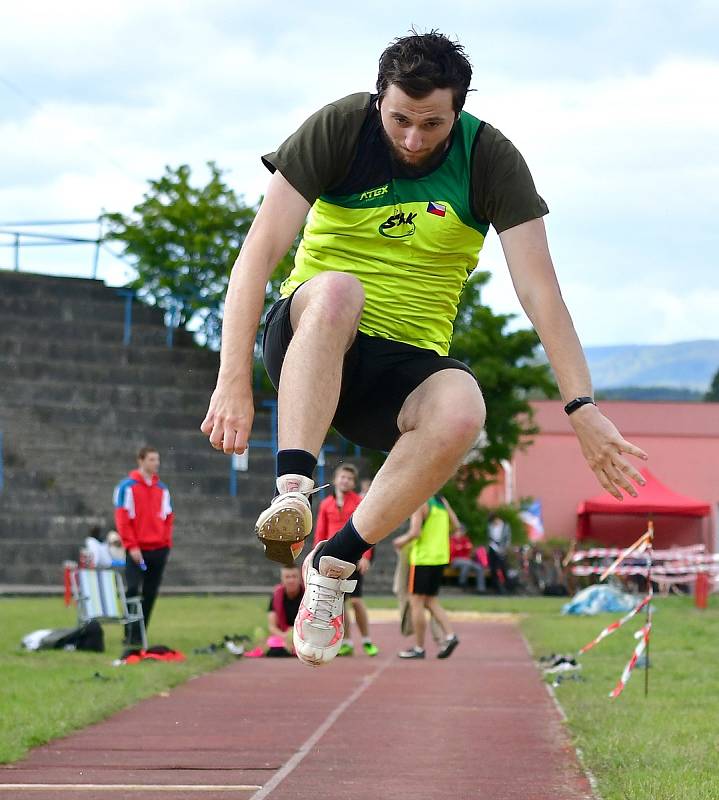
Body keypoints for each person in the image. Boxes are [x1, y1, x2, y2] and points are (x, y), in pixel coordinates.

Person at [200, 31, 648, 668]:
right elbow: (256, 258)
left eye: (432, 124)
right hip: (311, 335)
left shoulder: (487, 159)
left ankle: (335, 562)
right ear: (378, 98)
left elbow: (541, 292)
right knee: (337, 292)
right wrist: (231, 379)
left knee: (464, 407)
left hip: (400, 366)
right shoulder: (338, 129)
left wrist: (582, 407)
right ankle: (295, 491)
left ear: (458, 111)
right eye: (400, 120)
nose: (413, 139)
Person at [314, 464, 379, 657]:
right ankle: (347, 641)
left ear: (353, 483)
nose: (345, 481)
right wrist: (316, 558)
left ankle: (367, 640)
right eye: (342, 477)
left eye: (349, 479)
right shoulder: (326, 504)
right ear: (335, 479)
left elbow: (369, 530)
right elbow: (320, 533)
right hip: (332, 559)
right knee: (339, 603)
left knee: (357, 601)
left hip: (355, 558)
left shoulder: (360, 502)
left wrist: (366, 556)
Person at [113, 447, 173, 646]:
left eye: (158, 459)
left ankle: (140, 633)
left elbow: (168, 518)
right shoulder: (127, 487)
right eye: (152, 459)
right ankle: (129, 631)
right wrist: (131, 546)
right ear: (141, 461)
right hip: (137, 549)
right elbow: (122, 519)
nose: (156, 463)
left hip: (159, 549)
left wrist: (166, 543)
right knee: (132, 589)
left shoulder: (162, 489)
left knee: (150, 593)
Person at [393, 495, 459, 659]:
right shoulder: (442, 501)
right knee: (430, 600)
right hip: (440, 557)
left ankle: (419, 647)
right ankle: (450, 635)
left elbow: (415, 532)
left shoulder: (419, 500)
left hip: (422, 558)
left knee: (416, 602)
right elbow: (456, 525)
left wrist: (401, 541)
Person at [266, 565, 304, 656]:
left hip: (303, 635)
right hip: (283, 635)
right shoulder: (276, 597)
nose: (291, 580)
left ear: (300, 578)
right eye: (287, 577)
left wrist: (295, 635)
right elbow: (272, 626)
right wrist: (285, 636)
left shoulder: (308, 595)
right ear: (282, 579)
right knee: (273, 649)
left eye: (294, 576)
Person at [449, 523, 486, 593]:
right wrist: (460, 548)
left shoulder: (465, 539)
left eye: (463, 531)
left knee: (479, 567)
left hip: (466, 561)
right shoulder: (451, 540)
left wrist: (462, 548)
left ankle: (481, 589)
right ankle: (462, 582)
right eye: (460, 531)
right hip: (455, 560)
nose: (461, 533)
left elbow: (469, 549)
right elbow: (451, 552)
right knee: (467, 563)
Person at [487, 514, 510, 594]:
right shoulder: (490, 526)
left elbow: (507, 539)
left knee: (503, 568)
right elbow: (489, 538)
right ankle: (495, 587)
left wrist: (504, 549)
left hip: (501, 549)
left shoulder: (505, 527)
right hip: (492, 548)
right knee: (493, 568)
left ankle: (507, 586)